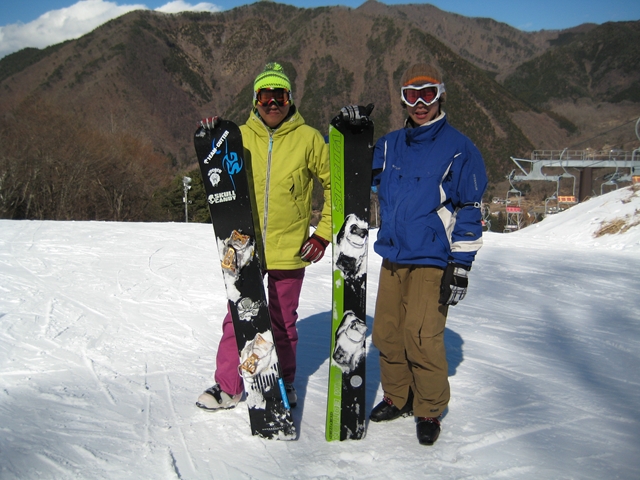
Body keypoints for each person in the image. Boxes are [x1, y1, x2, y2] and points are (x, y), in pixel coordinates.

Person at [195, 62, 331, 411]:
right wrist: (213, 137)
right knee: (238, 318)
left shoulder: (309, 139)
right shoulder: (238, 137)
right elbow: (216, 175)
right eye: (265, 96)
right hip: (244, 249)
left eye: (279, 96)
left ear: (290, 98)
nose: (272, 104)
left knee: (282, 322)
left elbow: (335, 186)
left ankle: (284, 381)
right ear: (255, 100)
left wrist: (323, 234)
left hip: (290, 249)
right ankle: (229, 386)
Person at [369, 63, 488, 445]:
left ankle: (429, 408)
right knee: (387, 333)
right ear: (403, 100)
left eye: (428, 94)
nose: (420, 104)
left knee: (421, 336)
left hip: (432, 258)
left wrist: (461, 265)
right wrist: (347, 133)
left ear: (440, 95)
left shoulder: (459, 148)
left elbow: (469, 208)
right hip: (393, 254)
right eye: (411, 96)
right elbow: (353, 169)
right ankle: (398, 396)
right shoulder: (389, 145)